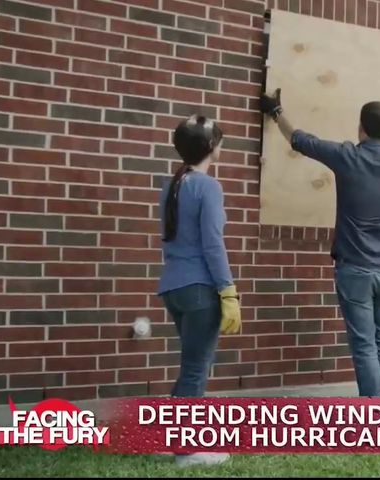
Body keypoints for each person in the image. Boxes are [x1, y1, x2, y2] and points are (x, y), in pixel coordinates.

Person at [259, 89, 380, 397]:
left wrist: (275, 111)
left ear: (361, 129)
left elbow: (301, 141)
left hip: (355, 271)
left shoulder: (349, 157)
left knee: (365, 346)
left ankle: (373, 419)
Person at [156, 115, 241, 466]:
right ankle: (188, 451)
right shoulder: (208, 186)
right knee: (195, 370)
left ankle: (170, 439)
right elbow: (213, 244)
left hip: (173, 287)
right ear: (212, 147)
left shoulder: (172, 184)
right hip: (200, 289)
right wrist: (228, 291)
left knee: (190, 366)